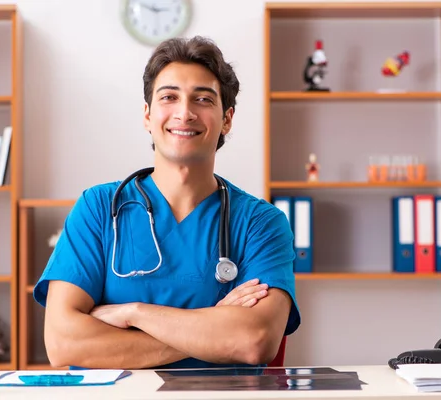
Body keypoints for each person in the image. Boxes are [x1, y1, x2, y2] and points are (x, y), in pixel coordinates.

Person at [33, 35, 300, 370]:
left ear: (227, 119)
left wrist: (135, 314)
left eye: (203, 99)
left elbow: (254, 340)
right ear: (147, 115)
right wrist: (213, 327)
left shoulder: (261, 223)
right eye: (169, 97)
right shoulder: (98, 208)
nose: (184, 113)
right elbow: (63, 343)